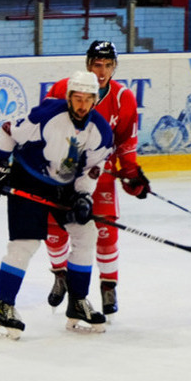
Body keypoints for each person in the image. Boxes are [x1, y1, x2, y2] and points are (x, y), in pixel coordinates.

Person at [0, 70, 114, 339]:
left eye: (87, 99)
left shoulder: (100, 131)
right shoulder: (47, 115)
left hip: (63, 186)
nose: (81, 104)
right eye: (77, 98)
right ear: (69, 98)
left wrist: (83, 196)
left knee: (85, 232)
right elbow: (8, 131)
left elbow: (92, 168)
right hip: (28, 178)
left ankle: (78, 302)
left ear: (95, 100)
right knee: (25, 244)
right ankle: (3, 306)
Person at [42, 40, 149, 317]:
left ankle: (108, 285)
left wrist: (131, 173)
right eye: (97, 65)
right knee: (53, 232)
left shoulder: (123, 98)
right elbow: (43, 128)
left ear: (115, 67)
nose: (102, 71)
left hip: (98, 175)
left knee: (106, 233)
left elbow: (126, 142)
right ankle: (60, 276)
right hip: (60, 175)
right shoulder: (62, 89)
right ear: (88, 64)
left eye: (108, 65)